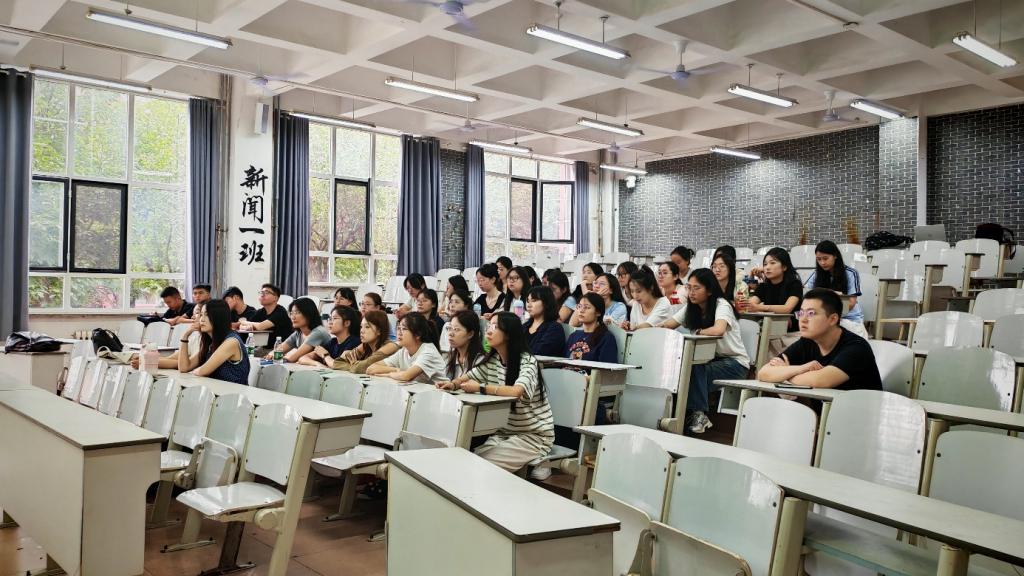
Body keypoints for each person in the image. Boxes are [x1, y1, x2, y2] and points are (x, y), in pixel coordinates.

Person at [437, 313, 554, 475]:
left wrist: (481, 388)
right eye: (489, 326)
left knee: (480, 467)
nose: (489, 331)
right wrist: (453, 384)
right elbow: (469, 376)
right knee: (467, 458)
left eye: (495, 327)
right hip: (503, 433)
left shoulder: (527, 361)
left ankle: (540, 463)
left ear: (509, 334)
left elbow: (516, 391)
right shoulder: (493, 360)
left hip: (533, 436)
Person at [657, 269, 750, 434]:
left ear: (709, 290)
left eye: (697, 288)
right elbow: (668, 325)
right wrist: (645, 328)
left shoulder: (722, 305)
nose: (691, 292)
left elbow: (719, 329)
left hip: (735, 363)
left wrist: (699, 332)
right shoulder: (691, 307)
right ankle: (680, 419)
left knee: (691, 368)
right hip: (709, 361)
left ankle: (698, 414)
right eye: (689, 287)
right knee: (681, 370)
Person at [757, 289, 882, 390]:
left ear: (832, 319)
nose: (803, 319)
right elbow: (764, 373)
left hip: (859, 412)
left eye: (811, 313)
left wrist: (784, 374)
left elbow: (820, 380)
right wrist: (801, 368)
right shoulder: (807, 342)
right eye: (801, 313)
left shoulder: (857, 347)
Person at [175, 300, 250, 385]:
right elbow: (184, 368)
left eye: (207, 315)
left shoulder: (231, 341)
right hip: (217, 390)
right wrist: (185, 336)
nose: (202, 319)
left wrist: (194, 371)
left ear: (219, 317)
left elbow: (202, 371)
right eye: (201, 314)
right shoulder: (211, 343)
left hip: (234, 392)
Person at [806, 240, 867, 338]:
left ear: (835, 255)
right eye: (819, 259)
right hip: (825, 318)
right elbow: (806, 293)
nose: (822, 263)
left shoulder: (851, 273)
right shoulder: (816, 274)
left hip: (849, 319)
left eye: (825, 258)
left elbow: (851, 303)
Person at [367, 312, 446, 383]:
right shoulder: (404, 351)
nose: (399, 333)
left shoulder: (428, 352)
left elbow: (406, 376)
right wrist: (395, 370)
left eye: (404, 329)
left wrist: (389, 374)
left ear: (418, 334)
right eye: (398, 328)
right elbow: (370, 369)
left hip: (440, 393)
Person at [747, 248, 804, 332]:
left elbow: (787, 309)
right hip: (771, 329)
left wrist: (759, 308)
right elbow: (750, 305)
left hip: (793, 331)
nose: (767, 267)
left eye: (772, 263)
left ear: (784, 267)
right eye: (765, 264)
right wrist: (751, 275)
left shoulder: (795, 284)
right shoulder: (764, 286)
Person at [265, 298, 331, 363]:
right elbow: (279, 350)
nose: (293, 317)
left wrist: (277, 357)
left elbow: (293, 358)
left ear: (309, 313)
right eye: (291, 313)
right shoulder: (298, 333)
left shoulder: (318, 332)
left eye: (297, 312)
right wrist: (271, 355)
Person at [334, 311, 399, 373]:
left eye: (367, 327)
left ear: (379, 331)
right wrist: (353, 366)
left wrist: (354, 365)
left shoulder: (389, 346)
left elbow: (359, 368)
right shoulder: (365, 346)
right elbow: (337, 363)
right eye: (361, 327)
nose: (362, 331)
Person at [565, 293, 618, 364]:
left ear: (598, 312)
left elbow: (607, 367)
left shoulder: (606, 338)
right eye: (579, 306)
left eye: (587, 307)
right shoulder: (573, 336)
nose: (581, 310)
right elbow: (563, 361)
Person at [522, 286, 566, 357]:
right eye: (527, 301)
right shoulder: (524, 326)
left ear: (546, 303)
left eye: (534, 300)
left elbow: (540, 352)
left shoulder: (555, 328)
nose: (529, 305)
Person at [445, 310, 486, 380]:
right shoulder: (452, 357)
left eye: (456, 329)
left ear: (470, 334)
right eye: (449, 328)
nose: (450, 334)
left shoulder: (480, 361)